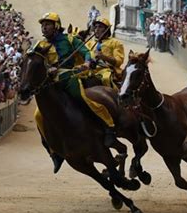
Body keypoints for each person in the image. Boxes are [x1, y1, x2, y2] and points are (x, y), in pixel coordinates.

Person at [33, 12, 118, 173]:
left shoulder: (70, 39)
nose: (44, 27)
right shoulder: (40, 45)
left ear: (56, 26)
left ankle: (109, 127)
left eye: (47, 24)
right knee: (38, 115)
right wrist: (45, 69)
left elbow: (86, 52)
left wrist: (87, 62)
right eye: (42, 25)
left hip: (69, 76)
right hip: (52, 83)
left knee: (83, 98)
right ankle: (53, 153)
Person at [86, 17, 124, 89]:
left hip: (107, 70)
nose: (97, 29)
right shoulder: (89, 43)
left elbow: (119, 61)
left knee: (105, 79)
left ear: (107, 30)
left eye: (100, 27)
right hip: (90, 70)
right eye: (96, 27)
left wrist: (104, 57)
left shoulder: (115, 43)